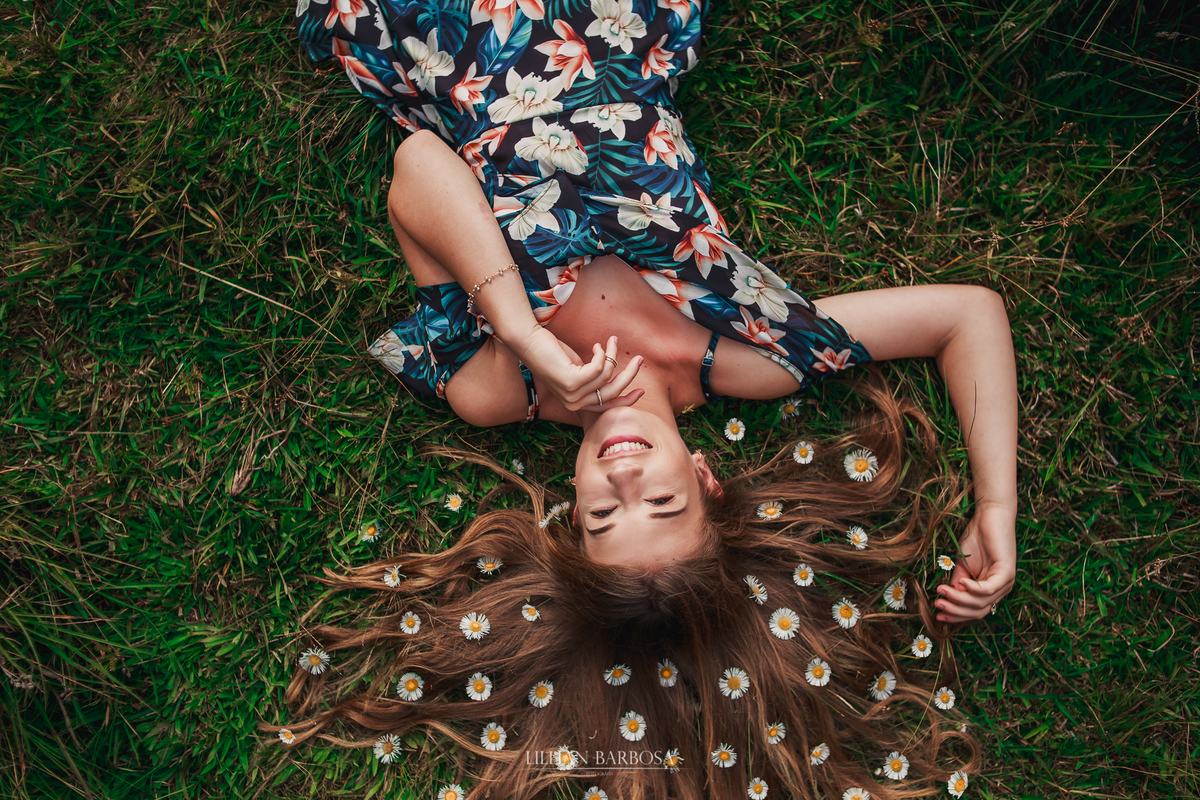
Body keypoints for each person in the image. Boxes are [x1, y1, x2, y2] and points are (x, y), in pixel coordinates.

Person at [271, 1, 1018, 796]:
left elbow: (420, 164)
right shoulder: (747, 362)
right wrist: (996, 505)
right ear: (706, 478)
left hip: (449, 44)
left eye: (601, 516)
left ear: (570, 508)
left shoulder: (497, 390)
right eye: (661, 502)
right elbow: (967, 316)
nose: (624, 480)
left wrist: (522, 332)